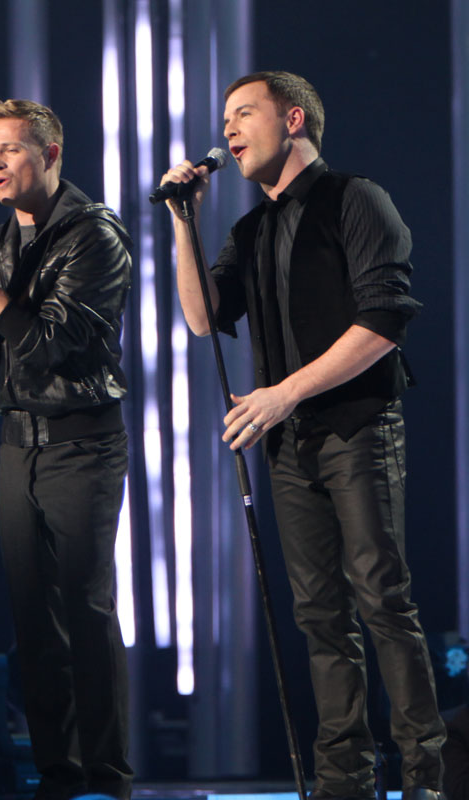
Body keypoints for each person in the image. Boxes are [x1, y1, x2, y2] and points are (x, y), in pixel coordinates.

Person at [159, 70, 445, 800]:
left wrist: (284, 393)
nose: (226, 129)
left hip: (356, 427)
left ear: (292, 120)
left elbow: (383, 322)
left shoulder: (356, 199)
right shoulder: (250, 229)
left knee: (381, 597)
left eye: (242, 113)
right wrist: (181, 222)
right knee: (320, 614)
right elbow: (202, 316)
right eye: (223, 117)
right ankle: (344, 782)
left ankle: (426, 777)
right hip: (291, 447)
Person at [0, 99, 133, 800]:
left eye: (11, 150)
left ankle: (107, 774)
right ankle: (59, 773)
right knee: (33, 618)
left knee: (85, 612)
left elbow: (53, 343)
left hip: (81, 443)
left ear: (52, 153)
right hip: (18, 445)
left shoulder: (93, 235)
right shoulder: (1, 239)